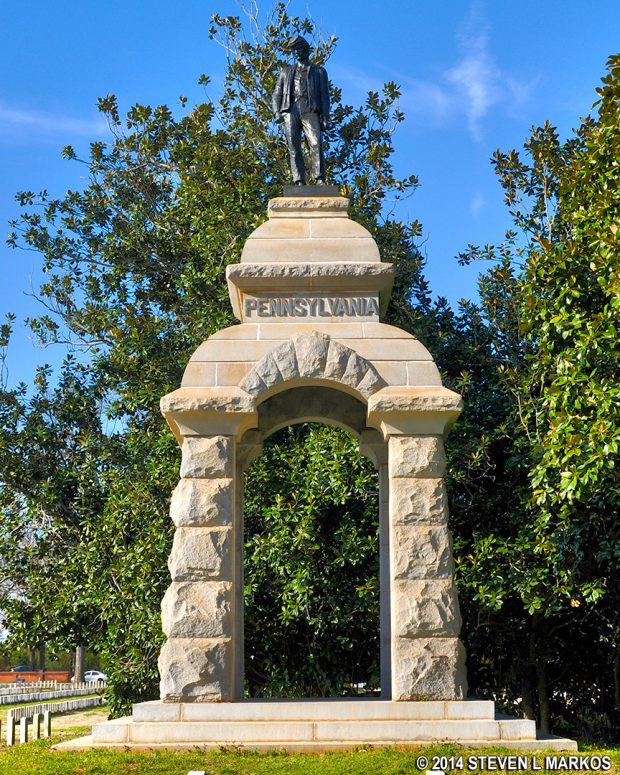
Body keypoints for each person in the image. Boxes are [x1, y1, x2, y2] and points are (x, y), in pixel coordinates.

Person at [272, 35, 330, 185]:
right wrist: (277, 112)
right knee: (294, 147)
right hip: (291, 110)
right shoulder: (286, 71)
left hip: (310, 109)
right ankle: (298, 180)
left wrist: (325, 117)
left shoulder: (319, 72)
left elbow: (324, 95)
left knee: (316, 143)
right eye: (294, 50)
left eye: (299, 49)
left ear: (307, 50)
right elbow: (276, 94)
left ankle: (319, 178)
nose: (297, 52)